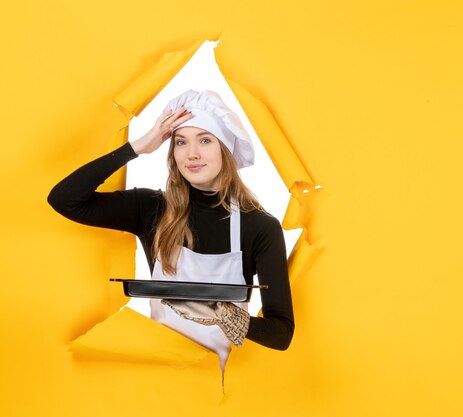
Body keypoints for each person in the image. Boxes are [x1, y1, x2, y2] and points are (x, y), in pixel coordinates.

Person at [48, 90, 294, 369]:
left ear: (225, 149)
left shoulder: (259, 227)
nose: (192, 153)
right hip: (157, 374)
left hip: (217, 385)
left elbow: (281, 333)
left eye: (205, 140)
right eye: (181, 142)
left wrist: (236, 320)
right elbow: (64, 199)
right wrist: (137, 147)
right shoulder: (151, 208)